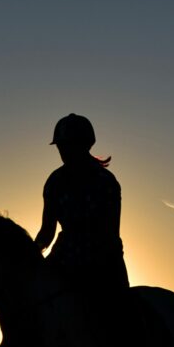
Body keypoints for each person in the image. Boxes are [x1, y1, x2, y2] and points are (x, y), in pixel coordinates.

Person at [35, 113, 129, 303]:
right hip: (62, 258)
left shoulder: (106, 182)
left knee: (122, 315)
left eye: (68, 145)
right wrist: (31, 256)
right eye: (61, 146)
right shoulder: (54, 182)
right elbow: (47, 231)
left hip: (103, 263)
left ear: (84, 145)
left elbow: (111, 234)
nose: (63, 151)